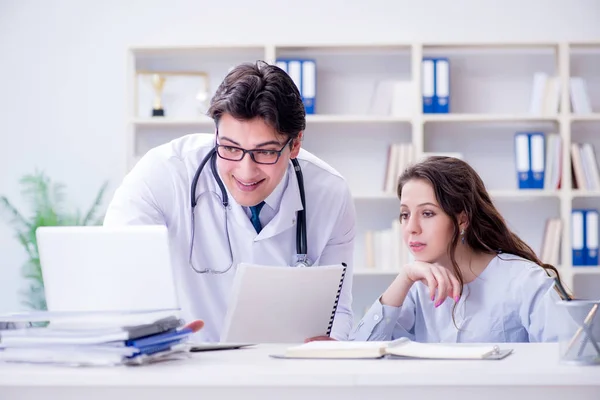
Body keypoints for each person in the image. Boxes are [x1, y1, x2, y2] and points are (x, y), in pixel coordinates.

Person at [103, 61, 356, 342]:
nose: (245, 171)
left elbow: (338, 311)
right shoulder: (162, 174)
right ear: (215, 135)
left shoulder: (329, 193)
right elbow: (117, 275)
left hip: (285, 370)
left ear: (295, 144)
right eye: (230, 148)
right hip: (187, 366)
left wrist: (330, 351)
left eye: (266, 152)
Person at [349, 156, 570, 343]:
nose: (411, 228)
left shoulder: (525, 281)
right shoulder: (416, 288)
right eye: (405, 214)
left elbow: (569, 356)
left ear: (462, 219)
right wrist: (404, 279)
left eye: (427, 213)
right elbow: (359, 355)